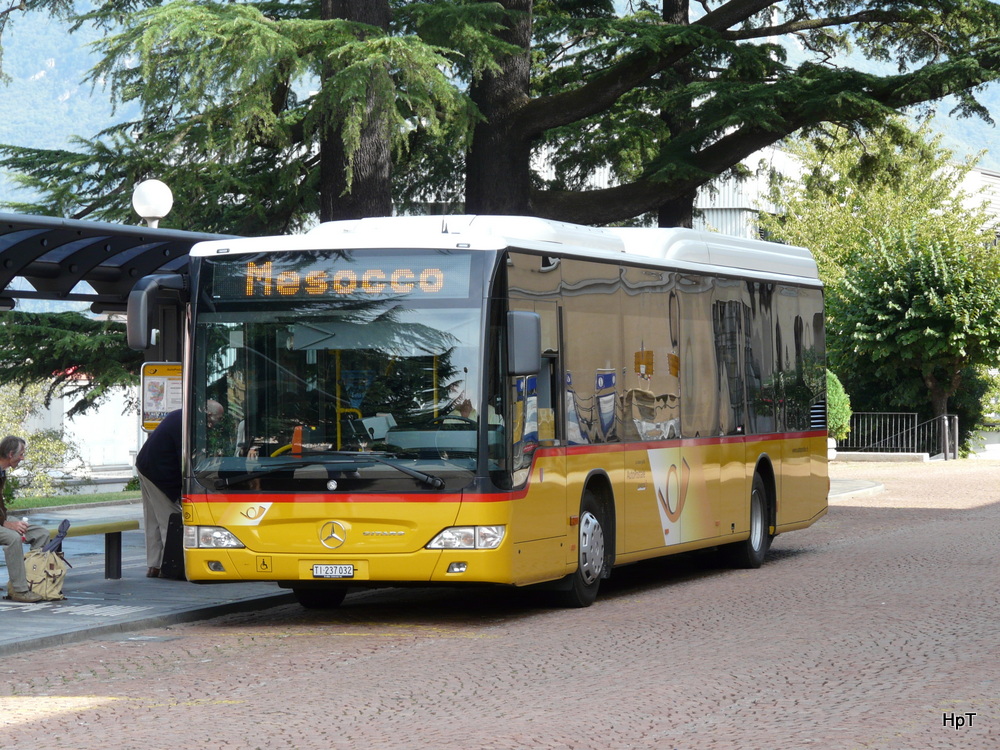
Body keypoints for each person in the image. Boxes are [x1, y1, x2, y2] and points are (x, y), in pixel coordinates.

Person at [135, 400, 223, 578]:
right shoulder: (188, 424)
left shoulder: (181, 415)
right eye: (216, 419)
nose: (215, 424)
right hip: (159, 472)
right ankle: (174, 567)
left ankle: (154, 565)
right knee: (171, 520)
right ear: (208, 414)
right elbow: (185, 461)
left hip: (145, 465)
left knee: (152, 519)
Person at [0, 436, 49, 603]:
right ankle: (19, 590)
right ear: (10, 453)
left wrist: (10, 522)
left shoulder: (2, 471)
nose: (23, 458)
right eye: (21, 454)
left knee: (41, 533)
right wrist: (6, 524)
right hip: (1, 521)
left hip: (2, 519)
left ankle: (31, 581)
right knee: (13, 538)